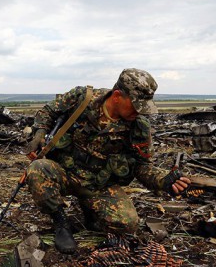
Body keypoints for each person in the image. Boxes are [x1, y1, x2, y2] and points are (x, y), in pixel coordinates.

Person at [25, 68, 190, 254]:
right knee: (37, 169)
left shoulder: (139, 126)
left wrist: (164, 181)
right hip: (66, 173)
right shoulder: (82, 98)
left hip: (99, 185)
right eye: (136, 105)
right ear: (117, 96)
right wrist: (39, 133)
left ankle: (90, 212)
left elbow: (142, 166)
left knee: (128, 224)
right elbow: (48, 112)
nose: (139, 112)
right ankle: (61, 222)